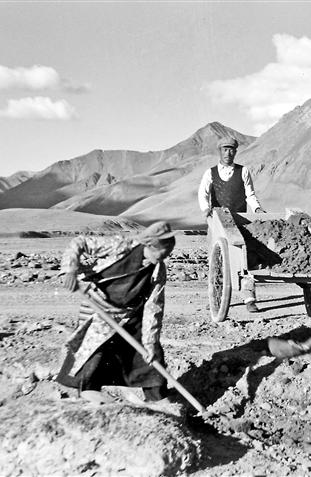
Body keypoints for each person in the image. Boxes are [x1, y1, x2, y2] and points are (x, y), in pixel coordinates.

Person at [56, 221, 177, 405]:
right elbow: (79, 242)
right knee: (95, 348)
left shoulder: (158, 270)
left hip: (130, 314)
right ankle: (89, 390)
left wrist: (150, 342)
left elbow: (154, 306)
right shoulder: (120, 246)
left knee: (150, 353)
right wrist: (70, 269)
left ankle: (157, 397)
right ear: (151, 246)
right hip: (99, 308)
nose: (165, 258)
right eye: (164, 253)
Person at [198, 136, 265, 313]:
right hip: (217, 223)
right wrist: (206, 209)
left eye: (231, 150)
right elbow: (203, 194)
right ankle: (216, 298)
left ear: (235, 152)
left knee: (245, 258)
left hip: (239, 222)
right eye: (225, 149)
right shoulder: (210, 173)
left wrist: (257, 209)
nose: (228, 153)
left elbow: (250, 195)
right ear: (219, 151)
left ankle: (249, 299)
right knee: (216, 261)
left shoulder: (243, 171)